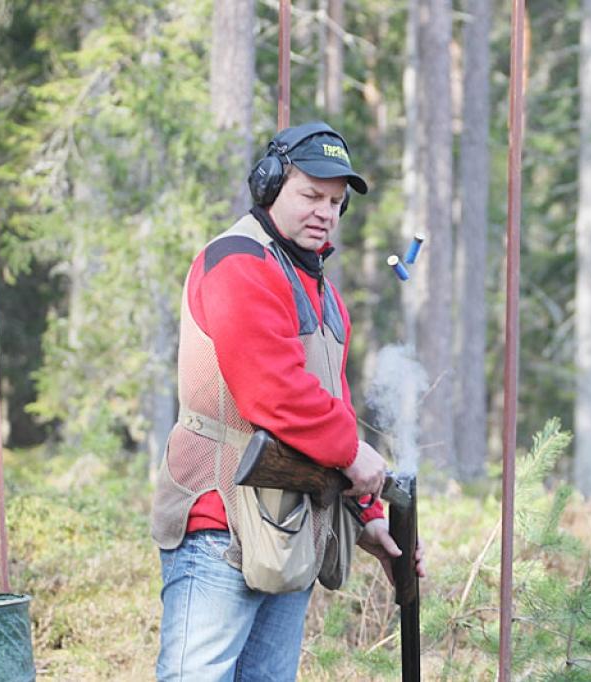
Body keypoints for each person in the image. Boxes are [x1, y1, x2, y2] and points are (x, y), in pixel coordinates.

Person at [150, 121, 425, 680]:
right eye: (311, 195)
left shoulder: (324, 294)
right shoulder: (238, 263)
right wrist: (354, 452)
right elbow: (273, 392)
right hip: (220, 522)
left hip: (292, 526)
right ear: (270, 185)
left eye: (335, 202)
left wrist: (369, 518)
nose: (325, 212)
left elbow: (331, 406)